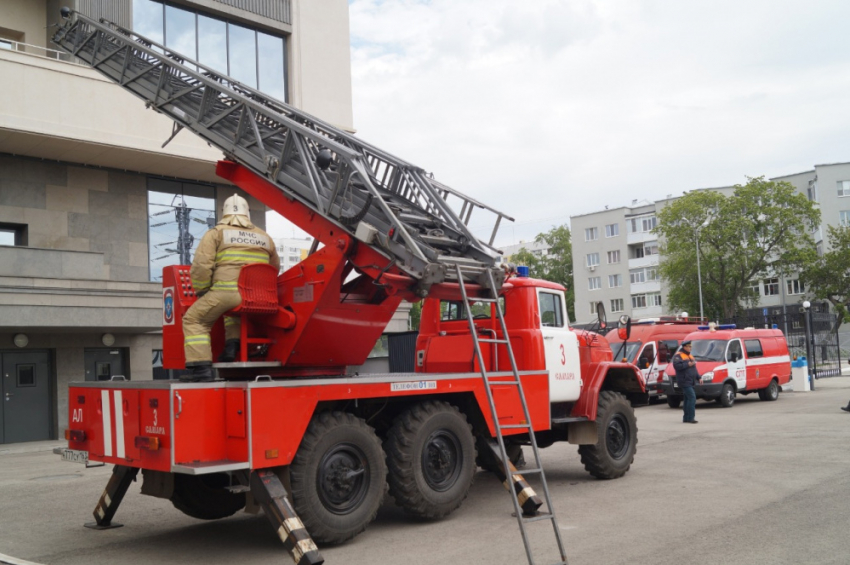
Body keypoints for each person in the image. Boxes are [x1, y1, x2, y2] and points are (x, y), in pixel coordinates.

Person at [182, 193, 280, 382]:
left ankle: (201, 368)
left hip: (227, 293)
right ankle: (231, 346)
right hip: (260, 298)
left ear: (224, 212)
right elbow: (274, 268)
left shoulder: (216, 233)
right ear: (247, 213)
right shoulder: (265, 237)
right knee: (232, 311)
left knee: (194, 320)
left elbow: (201, 266)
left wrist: (202, 291)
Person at [673, 340, 701, 423]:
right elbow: (677, 366)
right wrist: (687, 364)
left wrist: (699, 377)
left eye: (691, 347)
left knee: (687, 399)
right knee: (692, 398)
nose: (690, 348)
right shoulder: (678, 356)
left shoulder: (690, 356)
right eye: (689, 346)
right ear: (684, 347)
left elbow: (694, 369)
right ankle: (691, 418)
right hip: (684, 381)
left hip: (690, 381)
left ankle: (686, 418)